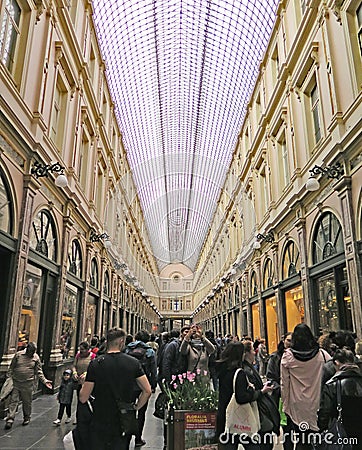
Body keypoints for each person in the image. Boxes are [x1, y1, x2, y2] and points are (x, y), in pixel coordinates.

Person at [80, 327, 152, 450]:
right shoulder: (133, 363)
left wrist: (82, 384)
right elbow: (147, 390)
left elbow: (83, 398)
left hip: (100, 417)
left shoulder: (96, 364)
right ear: (122, 342)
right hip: (123, 419)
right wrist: (135, 407)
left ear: (107, 342)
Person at [281, 323, 332, 450]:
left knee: (301, 440)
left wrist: (285, 406)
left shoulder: (288, 357)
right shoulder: (322, 355)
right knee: (318, 439)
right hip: (318, 403)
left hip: (297, 405)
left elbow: (284, 384)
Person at [216, 341, 274, 450]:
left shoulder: (222, 370)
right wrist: (257, 391)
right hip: (241, 420)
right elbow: (242, 397)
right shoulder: (239, 373)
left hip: (225, 418)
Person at [318, 347, 362, 449]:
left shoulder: (332, 385)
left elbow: (324, 412)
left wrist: (322, 429)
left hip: (341, 433)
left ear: (337, 363)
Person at [4, 342, 52, 429]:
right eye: (31, 351)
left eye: (33, 352)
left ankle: (27, 417)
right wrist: (9, 377)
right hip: (16, 382)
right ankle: (10, 419)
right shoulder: (18, 355)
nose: (32, 353)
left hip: (28, 383)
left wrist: (45, 381)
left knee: (27, 402)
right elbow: (12, 367)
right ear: (27, 349)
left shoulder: (36, 357)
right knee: (13, 401)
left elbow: (39, 371)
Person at [242, 340, 280, 450]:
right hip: (257, 410)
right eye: (253, 350)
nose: (255, 352)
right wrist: (263, 391)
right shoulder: (247, 370)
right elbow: (248, 393)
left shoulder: (249, 368)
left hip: (257, 410)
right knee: (265, 441)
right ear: (247, 353)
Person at [125, 329, 157, 447]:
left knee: (128, 410)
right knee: (141, 412)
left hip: (129, 384)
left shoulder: (128, 349)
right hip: (144, 385)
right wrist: (153, 385)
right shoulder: (150, 352)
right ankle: (138, 438)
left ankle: (127, 436)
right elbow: (153, 370)